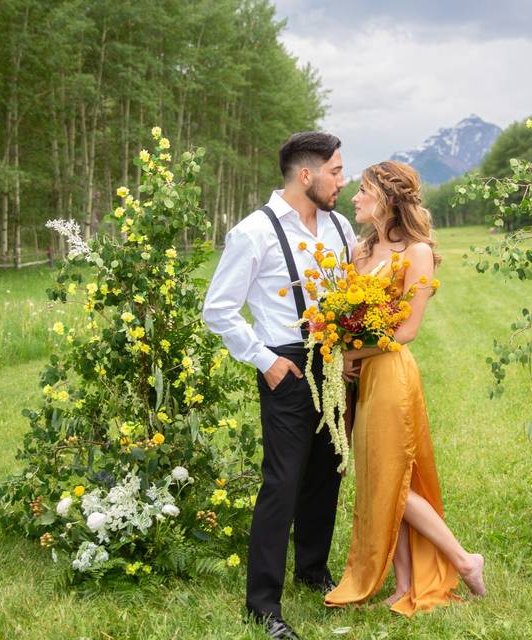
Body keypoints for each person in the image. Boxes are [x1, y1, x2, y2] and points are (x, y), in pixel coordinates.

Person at [203, 132, 355, 640]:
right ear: (306, 175)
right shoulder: (254, 232)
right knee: (282, 482)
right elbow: (218, 308)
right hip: (285, 365)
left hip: (334, 364)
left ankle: (313, 571)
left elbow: (356, 292)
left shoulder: (341, 227)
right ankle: (263, 604)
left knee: (327, 472)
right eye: (335, 171)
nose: (343, 179)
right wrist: (264, 361)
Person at [324, 161, 486, 617]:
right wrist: (345, 354)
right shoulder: (360, 251)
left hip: (392, 373)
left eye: (362, 190)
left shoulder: (415, 252)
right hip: (363, 378)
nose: (354, 197)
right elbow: (347, 319)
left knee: (394, 478)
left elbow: (408, 330)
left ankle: (463, 559)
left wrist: (354, 357)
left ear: (388, 199)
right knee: (376, 476)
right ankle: (403, 583)